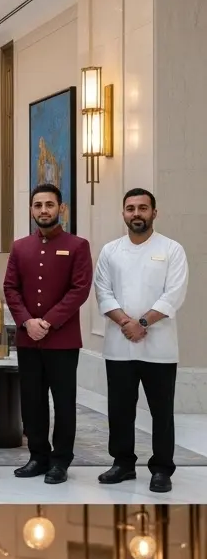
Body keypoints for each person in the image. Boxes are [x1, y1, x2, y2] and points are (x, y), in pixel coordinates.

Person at [94, 188, 189, 493]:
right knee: (120, 409)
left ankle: (162, 468)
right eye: (131, 208)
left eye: (143, 208)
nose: (137, 213)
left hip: (159, 347)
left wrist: (143, 322)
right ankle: (122, 463)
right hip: (119, 345)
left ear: (154, 213)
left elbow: (174, 293)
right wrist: (126, 322)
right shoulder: (110, 251)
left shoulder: (172, 249)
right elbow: (103, 292)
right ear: (123, 213)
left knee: (161, 411)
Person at [3, 183, 93, 485]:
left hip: (63, 340)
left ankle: (60, 460)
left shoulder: (78, 245)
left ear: (61, 209)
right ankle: (38, 456)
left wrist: (49, 322)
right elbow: (10, 289)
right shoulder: (19, 247)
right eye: (38, 205)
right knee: (32, 401)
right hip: (28, 338)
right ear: (31, 210)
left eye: (49, 205)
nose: (44, 210)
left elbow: (79, 290)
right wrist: (28, 322)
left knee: (64, 402)